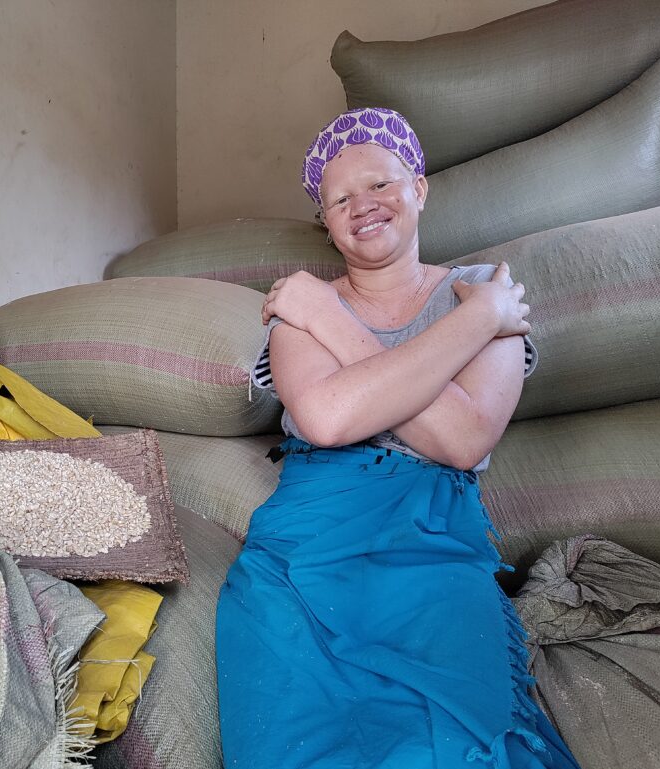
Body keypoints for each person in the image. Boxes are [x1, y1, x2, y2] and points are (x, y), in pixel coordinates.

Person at [214, 108, 581, 769]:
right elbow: (326, 421)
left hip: (430, 548)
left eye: (380, 185)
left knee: (459, 745)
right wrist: (476, 327)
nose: (364, 207)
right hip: (302, 552)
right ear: (324, 221)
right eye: (341, 199)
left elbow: (464, 438)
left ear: (420, 188)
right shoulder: (300, 305)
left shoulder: (480, 290)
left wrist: (481, 315)